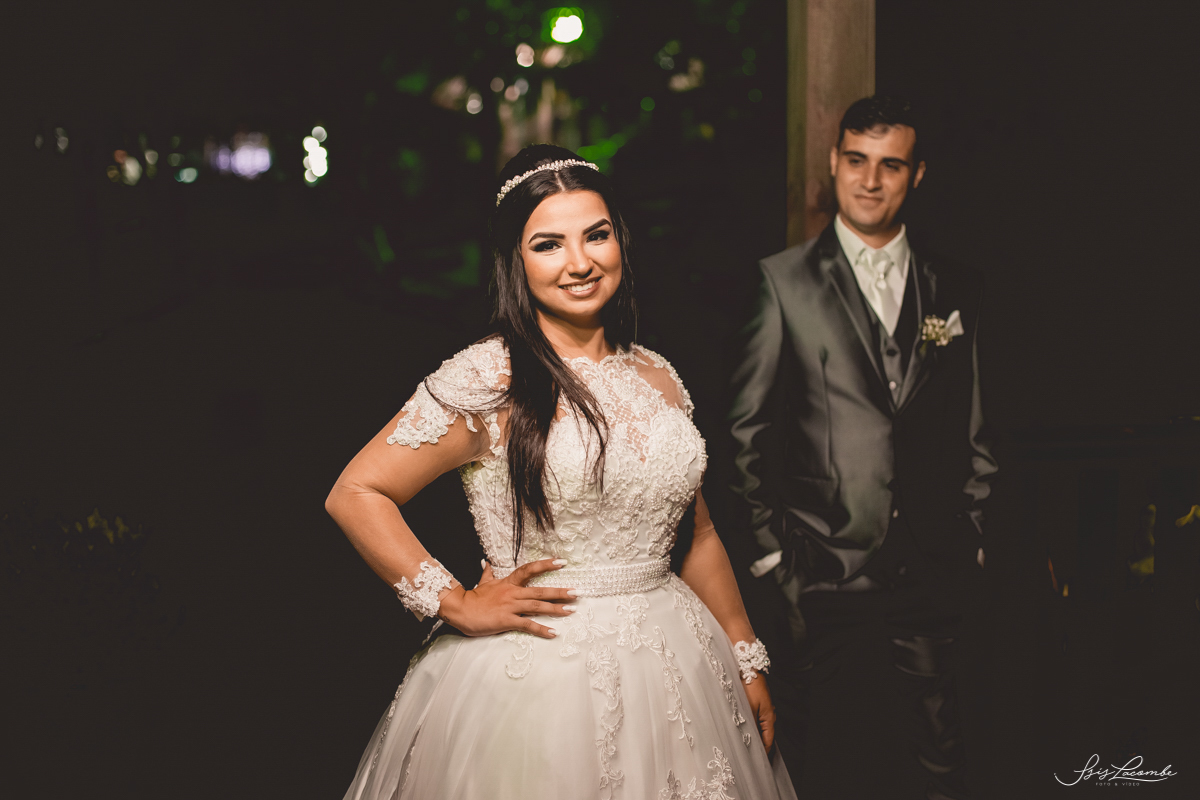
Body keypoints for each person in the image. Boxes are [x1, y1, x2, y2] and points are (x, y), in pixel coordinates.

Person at [327, 144, 797, 800]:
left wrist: (745, 656)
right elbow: (357, 491)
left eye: (596, 236)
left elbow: (699, 533)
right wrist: (455, 602)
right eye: (548, 244)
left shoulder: (658, 373)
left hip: (680, 668)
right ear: (515, 261)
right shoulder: (489, 376)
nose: (580, 262)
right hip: (540, 675)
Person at [729, 96, 998, 799]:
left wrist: (972, 539)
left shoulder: (956, 287)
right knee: (828, 764)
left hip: (933, 571)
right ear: (833, 163)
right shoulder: (782, 282)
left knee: (941, 764)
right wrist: (774, 561)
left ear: (917, 174)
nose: (870, 181)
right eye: (856, 161)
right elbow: (745, 434)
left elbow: (979, 427)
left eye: (890, 165)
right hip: (820, 576)